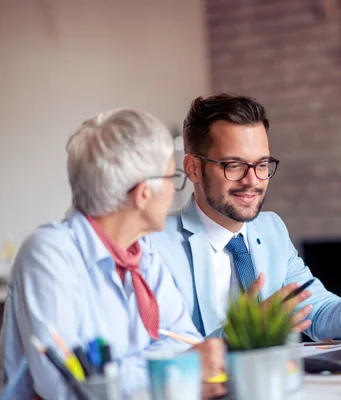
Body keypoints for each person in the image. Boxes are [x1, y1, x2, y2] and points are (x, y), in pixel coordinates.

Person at [0, 109, 224, 398]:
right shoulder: (48, 254)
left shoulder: (143, 255)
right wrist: (175, 365)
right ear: (143, 194)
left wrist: (130, 369)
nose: (173, 192)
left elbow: (185, 340)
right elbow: (69, 386)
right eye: (172, 179)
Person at [152, 94, 341, 339]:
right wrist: (237, 337)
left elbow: (314, 309)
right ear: (193, 169)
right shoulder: (156, 246)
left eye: (261, 165)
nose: (252, 181)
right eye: (234, 165)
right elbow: (163, 350)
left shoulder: (271, 228)